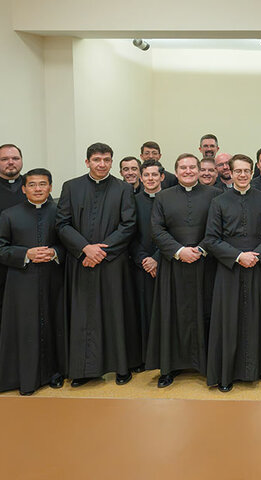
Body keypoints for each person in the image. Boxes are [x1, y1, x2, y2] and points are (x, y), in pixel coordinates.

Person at [56, 142, 140, 387]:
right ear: (87, 162)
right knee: (84, 316)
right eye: (96, 160)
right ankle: (84, 371)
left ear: (112, 162)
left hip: (112, 262)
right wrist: (85, 248)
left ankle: (121, 367)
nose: (101, 164)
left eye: (106, 160)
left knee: (116, 314)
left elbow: (129, 225)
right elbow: (62, 224)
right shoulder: (71, 187)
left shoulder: (123, 189)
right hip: (81, 261)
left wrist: (102, 251)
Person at [205, 154, 261, 392]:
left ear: (253, 171)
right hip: (230, 269)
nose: (242, 175)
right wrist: (238, 256)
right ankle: (227, 374)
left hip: (257, 266)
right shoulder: (219, 201)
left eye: (247, 171)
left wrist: (255, 256)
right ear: (231, 172)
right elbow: (211, 238)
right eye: (238, 171)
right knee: (230, 320)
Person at [146, 153, 221, 388]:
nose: (188, 171)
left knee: (207, 312)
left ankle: (209, 366)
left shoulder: (215, 196)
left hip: (205, 265)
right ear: (175, 171)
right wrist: (179, 251)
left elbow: (219, 228)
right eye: (183, 168)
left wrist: (200, 249)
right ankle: (170, 368)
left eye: (192, 167)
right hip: (173, 266)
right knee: (172, 314)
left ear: (199, 170)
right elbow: (157, 230)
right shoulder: (163, 197)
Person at [0, 168, 66, 395]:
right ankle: (24, 377)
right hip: (21, 282)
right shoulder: (9, 215)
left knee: (54, 324)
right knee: (25, 328)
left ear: (50, 187)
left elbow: (69, 245)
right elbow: (1, 248)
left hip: (53, 280)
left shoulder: (60, 213)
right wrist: (26, 254)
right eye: (33, 185)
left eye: (42, 184)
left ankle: (54, 374)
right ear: (24, 188)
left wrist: (55, 253)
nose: (38, 189)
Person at [130, 160, 164, 361]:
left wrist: (157, 258)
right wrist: (144, 259)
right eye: (146, 175)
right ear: (141, 178)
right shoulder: (132, 202)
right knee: (143, 312)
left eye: (154, 175)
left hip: (166, 262)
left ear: (162, 177)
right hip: (140, 265)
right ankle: (145, 358)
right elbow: (129, 234)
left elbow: (175, 232)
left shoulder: (170, 199)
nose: (150, 179)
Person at [0, 144, 26, 313]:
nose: (11, 162)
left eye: (15, 158)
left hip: (26, 262)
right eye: (4, 159)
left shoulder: (33, 186)